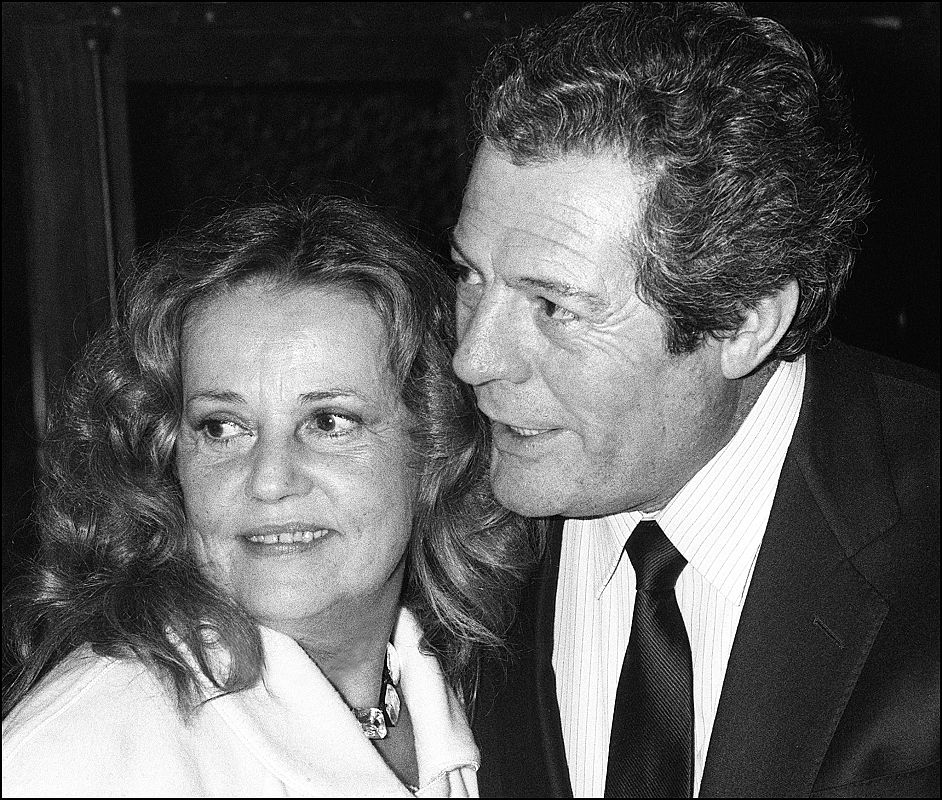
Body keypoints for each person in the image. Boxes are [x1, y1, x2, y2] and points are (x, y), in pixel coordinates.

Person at [449, 2, 940, 798]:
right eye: (471, 276)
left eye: (555, 307)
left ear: (744, 322)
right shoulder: (419, 498)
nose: (472, 358)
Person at [2, 196, 536, 797]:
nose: (269, 480)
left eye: (329, 422)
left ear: (436, 446)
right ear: (167, 457)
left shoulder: (489, 704)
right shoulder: (83, 753)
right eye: (221, 428)